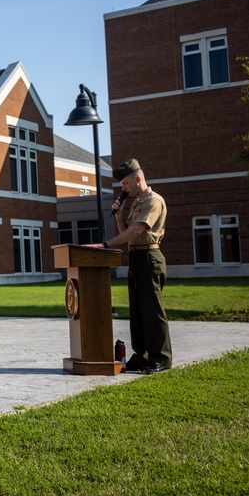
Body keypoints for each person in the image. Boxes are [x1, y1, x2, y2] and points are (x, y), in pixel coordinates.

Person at [92, 159, 172, 374]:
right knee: (137, 312)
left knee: (152, 311)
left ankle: (161, 359)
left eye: (126, 184)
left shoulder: (153, 201)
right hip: (136, 257)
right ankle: (142, 356)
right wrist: (119, 215)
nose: (123, 189)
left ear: (138, 178)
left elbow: (137, 230)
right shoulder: (136, 203)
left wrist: (106, 244)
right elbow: (126, 231)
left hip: (149, 256)